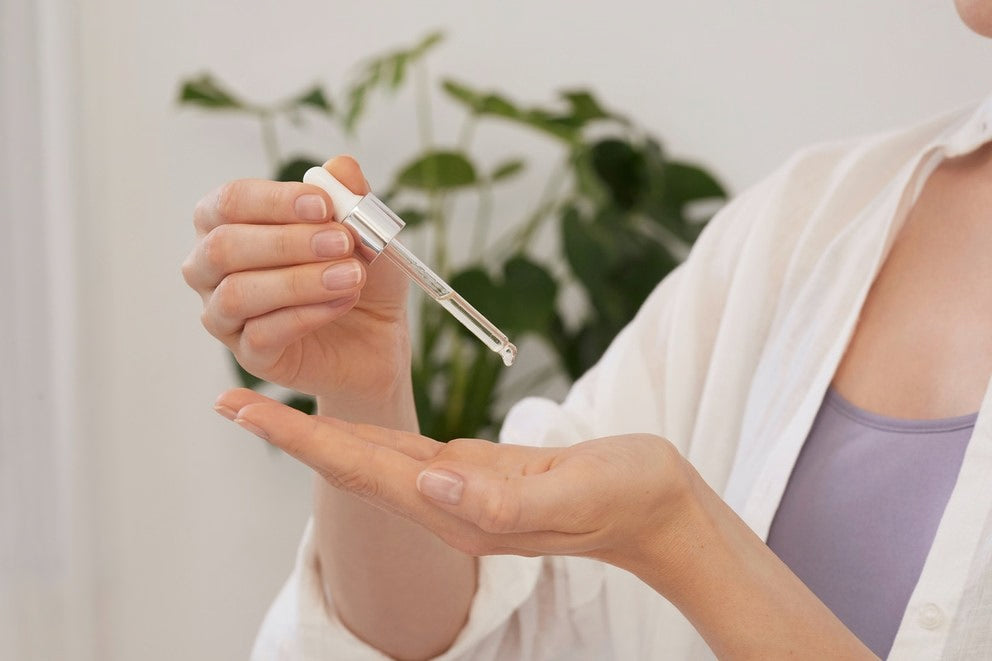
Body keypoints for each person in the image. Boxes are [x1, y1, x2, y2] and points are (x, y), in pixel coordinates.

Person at [182, 3, 992, 658]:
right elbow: (496, 621)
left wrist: (685, 539)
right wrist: (367, 392)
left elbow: (656, 524)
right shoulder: (812, 216)